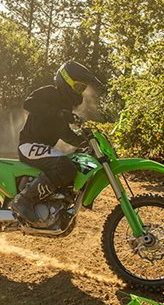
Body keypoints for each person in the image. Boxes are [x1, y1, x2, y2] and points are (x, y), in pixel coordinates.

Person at [10, 61, 102, 225]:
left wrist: (85, 142)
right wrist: (59, 113)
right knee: (65, 167)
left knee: (73, 164)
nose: (80, 92)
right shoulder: (50, 92)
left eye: (82, 89)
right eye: (79, 87)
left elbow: (64, 133)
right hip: (29, 145)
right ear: (66, 81)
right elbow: (28, 103)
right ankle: (23, 200)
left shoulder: (65, 106)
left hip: (42, 148)